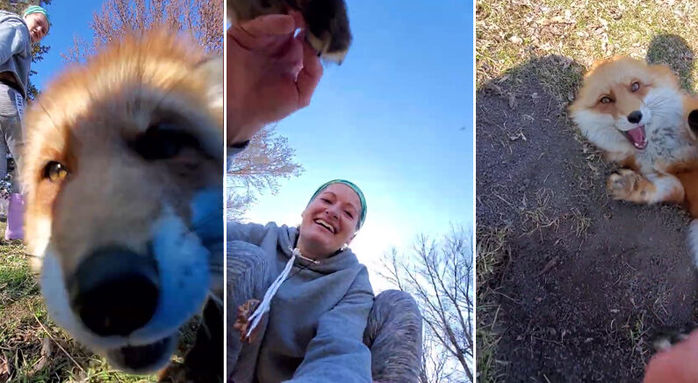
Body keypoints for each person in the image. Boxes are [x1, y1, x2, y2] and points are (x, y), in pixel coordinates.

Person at [227, 180, 422, 383]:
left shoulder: (353, 280)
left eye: (348, 213)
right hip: (232, 365)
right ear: (305, 211)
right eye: (327, 200)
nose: (333, 212)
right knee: (247, 258)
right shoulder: (264, 235)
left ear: (351, 238)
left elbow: (339, 345)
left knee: (398, 303)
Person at [0, 5, 49, 240]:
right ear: (26, 16)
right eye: (38, 22)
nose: (39, 29)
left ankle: (14, 228)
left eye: (44, 30)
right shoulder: (17, 25)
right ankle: (17, 228)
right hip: (7, 95)